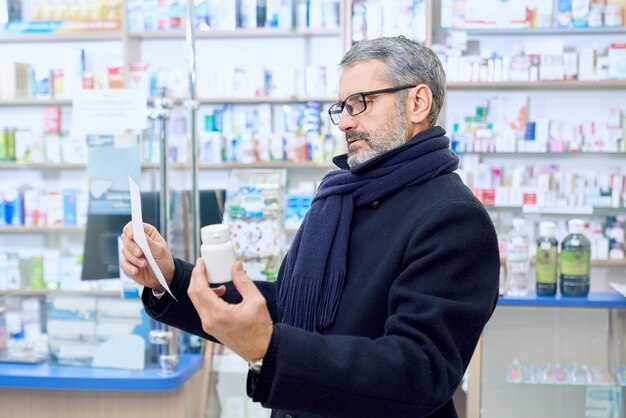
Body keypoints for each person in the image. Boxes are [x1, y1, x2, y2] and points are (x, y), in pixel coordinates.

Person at [120, 36, 500, 418]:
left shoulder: (453, 218)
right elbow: (289, 307)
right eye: (343, 107)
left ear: (418, 102)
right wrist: (169, 277)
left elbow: (418, 370)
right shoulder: (340, 198)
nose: (346, 122)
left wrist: (268, 347)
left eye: (362, 102)